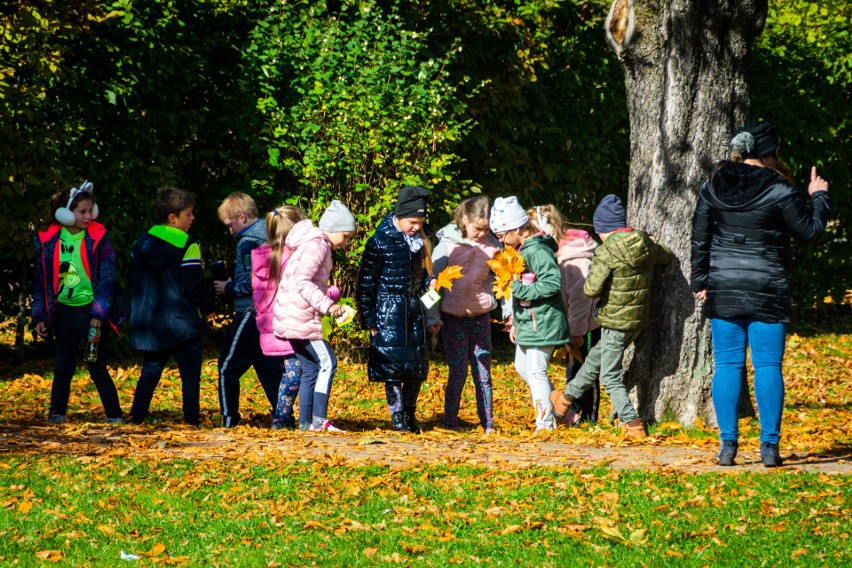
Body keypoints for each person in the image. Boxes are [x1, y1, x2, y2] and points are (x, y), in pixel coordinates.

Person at [690, 121, 831, 467]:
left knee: (727, 365)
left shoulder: (712, 184)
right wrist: (820, 197)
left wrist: (699, 281)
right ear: (769, 152)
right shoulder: (780, 188)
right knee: (768, 365)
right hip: (768, 286)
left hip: (724, 286)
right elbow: (810, 232)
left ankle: (727, 446)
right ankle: (769, 448)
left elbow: (700, 237)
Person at [551, 194, 672, 439]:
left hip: (614, 320)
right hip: (637, 319)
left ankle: (632, 423)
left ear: (604, 229)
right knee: (594, 359)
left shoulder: (606, 253)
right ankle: (565, 400)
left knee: (609, 375)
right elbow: (666, 254)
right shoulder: (645, 244)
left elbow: (591, 289)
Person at [32, 181, 128, 424]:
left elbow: (107, 279)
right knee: (63, 366)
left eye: (90, 210)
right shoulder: (49, 243)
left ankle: (114, 415)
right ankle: (57, 414)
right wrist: (40, 315)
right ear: (65, 213)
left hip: (92, 313)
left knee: (96, 365)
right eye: (82, 211)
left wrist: (99, 311)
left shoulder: (99, 239)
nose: (88, 216)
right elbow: (41, 282)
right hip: (64, 313)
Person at [355, 185, 439, 433]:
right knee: (392, 368)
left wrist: (430, 284)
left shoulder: (420, 243)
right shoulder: (379, 242)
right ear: (400, 216)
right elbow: (366, 284)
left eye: (420, 222)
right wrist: (369, 320)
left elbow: (422, 276)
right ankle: (397, 416)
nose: (417, 227)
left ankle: (411, 414)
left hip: (414, 310)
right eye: (413, 222)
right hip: (388, 312)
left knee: (415, 368)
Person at [129, 187, 215, 425]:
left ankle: (137, 415)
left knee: (150, 369)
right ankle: (192, 418)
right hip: (182, 321)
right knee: (190, 374)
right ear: (172, 218)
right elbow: (193, 285)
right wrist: (209, 305)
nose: (193, 219)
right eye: (188, 214)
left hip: (151, 321)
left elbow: (133, 280)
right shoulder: (189, 244)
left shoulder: (141, 243)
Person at [272, 200, 354, 431]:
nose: (346, 242)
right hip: (300, 316)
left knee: (310, 368)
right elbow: (302, 281)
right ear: (334, 229)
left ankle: (306, 423)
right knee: (328, 362)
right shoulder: (318, 245)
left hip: (292, 314)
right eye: (345, 236)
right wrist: (328, 305)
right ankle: (318, 420)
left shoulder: (311, 243)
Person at [490, 196, 569, 432]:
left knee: (536, 370)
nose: (500, 240)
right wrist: (514, 321)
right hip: (528, 321)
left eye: (502, 234)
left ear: (516, 228)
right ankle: (556, 399)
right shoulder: (521, 249)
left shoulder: (536, 250)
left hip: (543, 321)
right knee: (521, 367)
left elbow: (553, 283)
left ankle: (545, 423)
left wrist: (519, 289)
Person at [432, 196, 506, 433]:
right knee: (458, 371)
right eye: (478, 228)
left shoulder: (495, 248)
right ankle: (450, 423)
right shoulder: (446, 245)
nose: (483, 233)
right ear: (465, 220)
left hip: (480, 316)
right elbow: (432, 285)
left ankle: (488, 423)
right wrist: (432, 316)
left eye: (487, 228)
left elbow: (505, 282)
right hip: (451, 317)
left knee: (483, 370)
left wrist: (509, 314)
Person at [213, 192, 283, 428]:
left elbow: (255, 281)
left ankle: (229, 418)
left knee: (226, 367)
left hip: (250, 312)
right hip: (270, 313)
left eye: (230, 225)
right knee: (267, 367)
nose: (230, 231)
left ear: (241, 217)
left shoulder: (248, 242)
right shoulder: (272, 232)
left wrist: (229, 287)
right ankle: (283, 416)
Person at [529, 204, 601, 423]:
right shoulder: (554, 252)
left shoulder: (574, 254)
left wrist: (577, 330)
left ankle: (587, 416)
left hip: (586, 325)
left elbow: (581, 297)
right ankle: (575, 413)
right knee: (572, 370)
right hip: (569, 323)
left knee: (585, 371)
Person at [252, 205, 307, 430]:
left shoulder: (263, 257)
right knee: (295, 373)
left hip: (272, 326)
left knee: (291, 372)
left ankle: (287, 417)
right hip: (288, 324)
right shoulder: (293, 257)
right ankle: (281, 418)